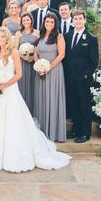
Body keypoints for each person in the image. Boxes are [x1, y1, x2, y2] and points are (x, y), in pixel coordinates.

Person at [0, 26, 71, 172]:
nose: (1, 39)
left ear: (8, 38)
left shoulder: (14, 52)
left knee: (13, 121)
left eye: (3, 37)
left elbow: (19, 74)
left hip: (10, 90)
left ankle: (15, 156)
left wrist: (4, 85)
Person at [64, 10, 99, 143]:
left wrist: (85, 74)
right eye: (75, 19)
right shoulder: (67, 36)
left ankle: (85, 133)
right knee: (74, 105)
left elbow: (94, 61)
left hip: (82, 78)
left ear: (84, 20)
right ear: (72, 21)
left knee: (84, 106)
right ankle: (76, 130)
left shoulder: (91, 38)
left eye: (80, 19)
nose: (77, 21)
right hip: (69, 77)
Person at [34, 12, 67, 142]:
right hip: (40, 72)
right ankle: (42, 131)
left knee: (53, 98)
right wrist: (38, 66)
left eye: (52, 22)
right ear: (44, 23)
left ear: (55, 24)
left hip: (54, 71)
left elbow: (61, 55)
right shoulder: (40, 36)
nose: (49, 24)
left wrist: (48, 67)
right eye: (47, 22)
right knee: (41, 98)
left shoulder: (59, 37)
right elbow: (36, 53)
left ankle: (54, 132)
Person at [14, 13, 39, 115]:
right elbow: (15, 49)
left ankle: (33, 110)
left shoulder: (37, 32)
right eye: (24, 20)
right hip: (22, 62)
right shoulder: (18, 33)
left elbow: (39, 47)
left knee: (33, 85)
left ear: (31, 21)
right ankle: (22, 112)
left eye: (27, 20)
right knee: (22, 85)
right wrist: (24, 56)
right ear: (21, 22)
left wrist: (33, 57)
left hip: (34, 62)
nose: (26, 22)